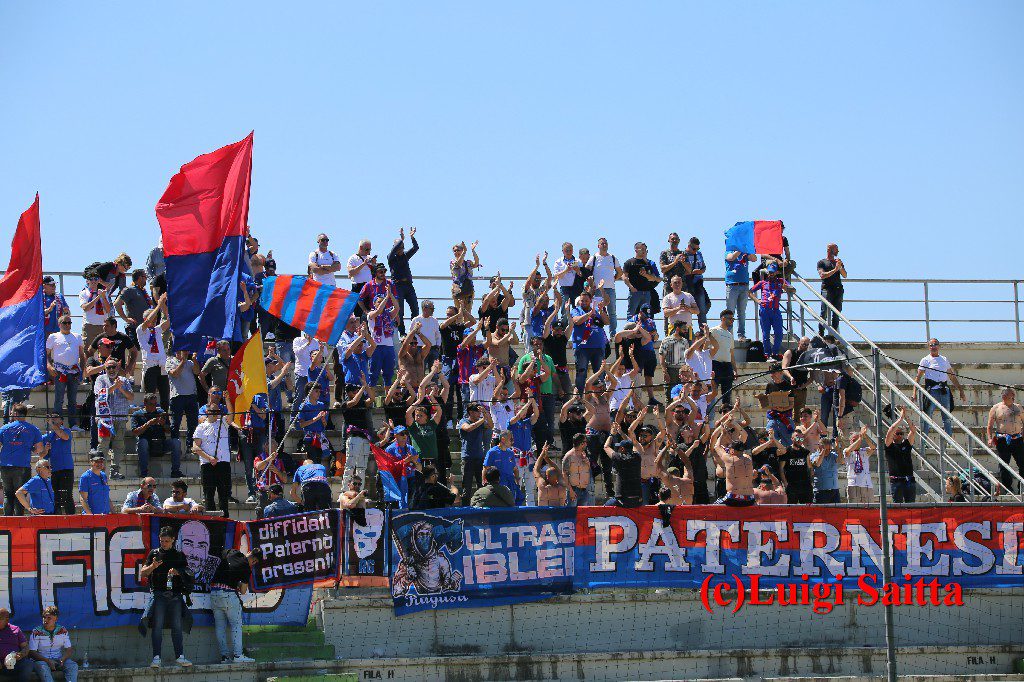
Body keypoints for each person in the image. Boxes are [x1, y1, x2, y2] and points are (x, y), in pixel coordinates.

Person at [139, 526, 192, 668]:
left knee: (177, 626)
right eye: (162, 541)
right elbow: (143, 573)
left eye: (167, 541)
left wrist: (178, 572)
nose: (163, 544)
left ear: (173, 540)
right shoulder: (154, 553)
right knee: (157, 626)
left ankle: (180, 656)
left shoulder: (179, 555)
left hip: (175, 595)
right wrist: (153, 566)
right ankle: (156, 657)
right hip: (158, 594)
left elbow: (189, 573)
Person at [208, 548, 257, 664]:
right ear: (254, 561)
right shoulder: (246, 567)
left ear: (248, 552)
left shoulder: (233, 552)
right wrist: (238, 583)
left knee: (220, 626)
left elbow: (224, 555)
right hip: (228, 595)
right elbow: (244, 591)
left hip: (214, 592)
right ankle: (238, 656)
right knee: (236, 625)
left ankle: (224, 656)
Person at [913, 338, 965, 437]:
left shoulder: (944, 359)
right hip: (932, 391)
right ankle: (925, 440)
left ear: (939, 346)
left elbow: (952, 376)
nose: (933, 347)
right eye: (931, 345)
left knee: (947, 418)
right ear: (929, 347)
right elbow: (918, 377)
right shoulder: (925, 360)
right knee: (928, 416)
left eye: (935, 344)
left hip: (944, 391)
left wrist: (961, 390)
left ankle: (948, 440)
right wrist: (914, 393)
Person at [93, 359, 134, 479]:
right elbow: (100, 395)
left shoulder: (124, 380)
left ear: (118, 368)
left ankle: (115, 470)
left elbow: (131, 397)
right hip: (105, 419)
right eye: (108, 367)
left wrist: (120, 388)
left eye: (113, 367)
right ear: (105, 369)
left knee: (119, 445)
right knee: (103, 445)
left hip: (120, 418)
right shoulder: (100, 379)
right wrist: (114, 386)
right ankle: (100, 471)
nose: (111, 370)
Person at [0, 404, 44, 516]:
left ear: (15, 414)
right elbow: (39, 449)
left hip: (6, 465)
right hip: (22, 465)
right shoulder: (33, 429)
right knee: (21, 494)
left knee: (8, 495)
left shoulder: (4, 428)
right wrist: (30, 447)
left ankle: (7, 522)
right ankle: (19, 520)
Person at [45, 315, 86, 429]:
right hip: (59, 372)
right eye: (64, 323)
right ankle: (58, 424)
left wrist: (81, 371)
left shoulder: (77, 336)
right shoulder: (53, 337)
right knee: (59, 399)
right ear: (59, 324)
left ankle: (73, 424)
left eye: (69, 323)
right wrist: (49, 366)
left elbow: (82, 356)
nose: (67, 325)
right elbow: (46, 354)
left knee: (72, 399)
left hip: (74, 372)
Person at [192, 407, 232, 516]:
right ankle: (211, 519)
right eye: (212, 411)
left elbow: (231, 415)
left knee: (224, 494)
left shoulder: (223, 423)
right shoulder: (201, 427)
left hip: (223, 463)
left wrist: (227, 400)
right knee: (209, 495)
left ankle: (225, 519)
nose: (215, 414)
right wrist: (209, 458)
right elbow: (195, 447)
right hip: (207, 464)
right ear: (207, 412)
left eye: (217, 411)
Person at [132, 393, 182, 478]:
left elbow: (169, 431)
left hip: (161, 444)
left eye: (155, 404)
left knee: (176, 442)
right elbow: (135, 432)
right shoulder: (137, 414)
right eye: (151, 404)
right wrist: (147, 424)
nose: (154, 407)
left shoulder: (161, 413)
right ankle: (144, 473)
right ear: (145, 403)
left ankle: (175, 471)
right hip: (146, 445)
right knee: (142, 442)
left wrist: (164, 425)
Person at [749, 263, 793, 359]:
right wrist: (758, 301)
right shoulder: (763, 282)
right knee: (766, 333)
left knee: (779, 333)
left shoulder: (781, 281)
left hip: (775, 310)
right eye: (769, 272)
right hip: (765, 309)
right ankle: (767, 353)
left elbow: (793, 290)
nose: (771, 274)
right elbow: (749, 292)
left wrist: (786, 287)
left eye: (773, 272)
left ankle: (775, 353)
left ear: (777, 272)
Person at [136, 297, 171, 412]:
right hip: (150, 367)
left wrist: (163, 306)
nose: (155, 320)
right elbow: (147, 322)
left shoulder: (156, 330)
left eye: (156, 318)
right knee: (150, 396)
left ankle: (165, 421)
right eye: (153, 318)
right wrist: (158, 306)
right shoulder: (141, 330)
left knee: (165, 396)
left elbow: (170, 320)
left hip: (161, 367)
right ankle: (149, 419)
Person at [987, 387, 1024, 495]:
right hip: (1003, 439)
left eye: (1013, 396)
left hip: (1017, 439)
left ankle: (1021, 487)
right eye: (1011, 396)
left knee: (1023, 463)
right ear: (1004, 397)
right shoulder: (996, 408)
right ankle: (1008, 489)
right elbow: (989, 426)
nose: (1013, 398)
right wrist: (990, 438)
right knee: (1004, 465)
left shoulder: (1018, 407)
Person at [571, 291, 610, 391]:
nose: (583, 302)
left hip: (598, 347)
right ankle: (579, 398)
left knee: (600, 373)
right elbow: (577, 321)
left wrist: (601, 311)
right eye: (581, 300)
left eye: (586, 300)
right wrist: (589, 314)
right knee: (581, 373)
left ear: (590, 301)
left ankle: (601, 399)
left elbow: (606, 321)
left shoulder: (597, 309)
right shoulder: (576, 310)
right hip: (582, 348)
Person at [709, 424, 756, 506]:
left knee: (712, 507)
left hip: (734, 498)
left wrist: (722, 435)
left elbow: (716, 446)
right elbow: (737, 449)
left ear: (732, 451)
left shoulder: (729, 459)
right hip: (750, 499)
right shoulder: (748, 458)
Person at [28, 606, 78, 682]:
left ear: (56, 619)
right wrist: (48, 661)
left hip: (58, 659)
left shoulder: (62, 630)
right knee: (42, 667)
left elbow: (69, 649)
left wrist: (62, 659)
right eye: (44, 617)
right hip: (42, 660)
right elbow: (32, 652)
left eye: (49, 618)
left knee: (73, 665)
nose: (45, 620)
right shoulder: (36, 631)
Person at [386, 227, 421, 333]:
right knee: (400, 311)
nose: (401, 249)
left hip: (408, 285)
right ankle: (402, 332)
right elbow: (394, 249)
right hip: (397, 286)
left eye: (402, 247)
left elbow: (416, 247)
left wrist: (412, 237)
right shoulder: (391, 257)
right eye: (399, 247)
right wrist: (401, 239)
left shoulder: (405, 255)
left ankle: (414, 331)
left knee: (415, 308)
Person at [602, 425, 643, 507]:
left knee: (603, 509)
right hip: (638, 500)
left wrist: (611, 434)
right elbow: (632, 444)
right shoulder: (637, 457)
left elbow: (606, 447)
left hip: (622, 500)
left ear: (622, 449)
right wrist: (621, 432)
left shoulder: (619, 458)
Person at [884, 407, 918, 503]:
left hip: (909, 480)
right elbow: (890, 431)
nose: (899, 435)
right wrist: (900, 419)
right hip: (896, 481)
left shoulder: (906, 444)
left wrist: (906, 417)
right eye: (897, 433)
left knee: (911, 508)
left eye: (901, 433)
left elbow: (913, 431)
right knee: (898, 508)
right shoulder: (889, 446)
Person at [114, 268, 153, 350]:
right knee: (134, 352)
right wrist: (125, 318)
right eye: (145, 277)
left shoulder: (142, 291)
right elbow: (117, 304)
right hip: (134, 328)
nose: (146, 279)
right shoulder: (129, 289)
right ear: (140, 278)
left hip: (145, 328)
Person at [591, 237, 623, 336]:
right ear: (598, 246)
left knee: (612, 312)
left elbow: (620, 272)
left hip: (610, 289)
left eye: (605, 243)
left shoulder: (613, 257)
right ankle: (597, 332)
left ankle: (612, 334)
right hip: (597, 290)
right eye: (602, 244)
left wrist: (614, 278)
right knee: (597, 311)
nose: (604, 245)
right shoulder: (594, 257)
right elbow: (587, 269)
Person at [459, 402, 491, 494]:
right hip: (467, 458)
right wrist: (482, 420)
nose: (479, 414)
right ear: (471, 412)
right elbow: (468, 428)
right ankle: (466, 507)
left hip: (479, 457)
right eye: (477, 411)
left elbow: (491, 425)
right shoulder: (463, 421)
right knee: (467, 487)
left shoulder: (480, 422)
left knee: (482, 485)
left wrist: (486, 413)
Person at [709, 310, 737, 416]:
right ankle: (710, 415)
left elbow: (732, 354)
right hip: (715, 364)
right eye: (730, 318)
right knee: (712, 391)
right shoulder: (714, 330)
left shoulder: (730, 335)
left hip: (727, 365)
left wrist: (735, 369)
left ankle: (726, 416)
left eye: (733, 319)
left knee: (727, 394)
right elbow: (706, 346)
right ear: (723, 318)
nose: (732, 321)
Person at [724, 249, 757, 340]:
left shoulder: (745, 252)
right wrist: (740, 248)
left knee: (741, 312)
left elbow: (754, 259)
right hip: (732, 285)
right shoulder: (729, 252)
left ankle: (741, 335)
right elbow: (731, 257)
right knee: (730, 312)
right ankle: (728, 335)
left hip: (744, 285)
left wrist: (747, 249)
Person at [622, 242, 660, 317]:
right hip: (635, 292)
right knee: (631, 313)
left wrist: (646, 275)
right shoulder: (629, 262)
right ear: (636, 250)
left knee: (646, 314)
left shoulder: (647, 263)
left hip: (646, 292)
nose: (644, 251)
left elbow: (653, 278)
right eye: (642, 249)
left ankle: (645, 328)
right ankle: (630, 328)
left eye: (645, 249)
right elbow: (624, 276)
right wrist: (631, 287)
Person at [816, 243, 846, 334]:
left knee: (837, 313)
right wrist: (835, 270)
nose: (838, 251)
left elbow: (845, 275)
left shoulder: (838, 262)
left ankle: (833, 335)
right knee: (824, 312)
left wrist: (839, 268)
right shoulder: (822, 262)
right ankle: (821, 333)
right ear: (830, 249)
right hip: (827, 289)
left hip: (838, 289)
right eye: (836, 249)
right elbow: (822, 275)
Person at [483, 430, 520, 503]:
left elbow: (515, 468)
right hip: (497, 486)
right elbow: (486, 468)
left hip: (510, 485)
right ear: (503, 439)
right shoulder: (492, 452)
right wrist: (484, 482)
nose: (512, 442)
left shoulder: (510, 452)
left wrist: (517, 481)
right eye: (511, 439)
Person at [682, 237, 711, 327]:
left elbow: (703, 267)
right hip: (687, 284)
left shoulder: (699, 254)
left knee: (704, 306)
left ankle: (703, 330)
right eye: (694, 249)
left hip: (698, 283)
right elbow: (681, 271)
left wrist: (699, 271)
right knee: (687, 308)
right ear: (689, 246)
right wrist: (691, 272)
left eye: (697, 248)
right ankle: (688, 329)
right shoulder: (683, 255)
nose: (696, 251)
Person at [78, 274, 111, 350]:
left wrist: (103, 297)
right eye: (91, 279)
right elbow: (86, 308)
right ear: (87, 281)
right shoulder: (84, 293)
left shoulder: (103, 293)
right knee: (88, 349)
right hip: (89, 325)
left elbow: (108, 310)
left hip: (103, 325)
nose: (93, 281)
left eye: (96, 279)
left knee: (104, 349)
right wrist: (98, 297)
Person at [844, 426, 876, 504]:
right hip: (853, 484)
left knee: (869, 508)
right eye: (854, 440)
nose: (857, 442)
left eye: (858, 440)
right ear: (850, 441)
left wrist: (865, 437)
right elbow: (848, 451)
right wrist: (859, 439)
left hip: (866, 484)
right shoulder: (846, 451)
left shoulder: (864, 451)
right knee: (854, 509)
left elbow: (873, 448)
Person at [0, 608, 32, 682]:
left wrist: (21, 654)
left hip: (14, 663)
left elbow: (26, 647)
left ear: (7, 620)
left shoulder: (16, 629)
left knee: (28, 664)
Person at [810, 437, 844, 504]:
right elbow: (817, 463)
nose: (828, 451)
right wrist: (823, 451)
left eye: (829, 449)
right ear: (820, 446)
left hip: (834, 490)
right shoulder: (814, 455)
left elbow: (841, 461)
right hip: (821, 491)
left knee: (836, 513)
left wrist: (839, 449)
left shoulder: (833, 455)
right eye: (826, 449)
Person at [561, 432, 592, 506]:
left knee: (582, 516)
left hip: (584, 490)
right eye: (585, 442)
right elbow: (564, 474)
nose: (586, 444)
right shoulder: (569, 456)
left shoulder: (584, 455)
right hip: (574, 490)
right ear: (581, 443)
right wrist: (570, 490)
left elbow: (587, 470)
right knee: (571, 514)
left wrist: (587, 462)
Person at [449, 240, 480, 312]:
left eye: (458, 250)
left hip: (468, 287)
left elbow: (476, 263)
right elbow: (458, 264)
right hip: (457, 288)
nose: (456, 252)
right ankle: (460, 323)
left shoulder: (468, 262)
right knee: (459, 311)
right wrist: (464, 252)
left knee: (468, 311)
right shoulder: (453, 262)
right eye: (454, 251)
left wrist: (473, 250)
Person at [411, 299, 442, 368]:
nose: (433, 310)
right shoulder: (416, 320)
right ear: (424, 308)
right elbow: (411, 334)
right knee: (420, 371)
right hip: (419, 348)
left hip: (433, 348)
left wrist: (438, 345)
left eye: (433, 308)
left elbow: (437, 334)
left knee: (434, 373)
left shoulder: (434, 320)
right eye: (431, 308)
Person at [552, 242, 583, 307]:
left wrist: (577, 270)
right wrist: (566, 270)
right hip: (564, 288)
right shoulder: (558, 262)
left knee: (578, 307)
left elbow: (582, 276)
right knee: (565, 310)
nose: (569, 252)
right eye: (567, 250)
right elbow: (556, 276)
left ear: (573, 250)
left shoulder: (578, 261)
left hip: (576, 287)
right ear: (562, 251)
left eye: (570, 250)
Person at [41, 276, 69, 342]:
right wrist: (49, 309)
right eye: (51, 285)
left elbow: (67, 313)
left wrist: (66, 311)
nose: (54, 286)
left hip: (58, 331)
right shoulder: (40, 297)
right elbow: (37, 314)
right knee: (45, 351)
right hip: (44, 331)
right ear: (44, 286)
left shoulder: (59, 296)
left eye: (54, 284)